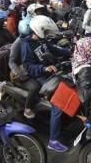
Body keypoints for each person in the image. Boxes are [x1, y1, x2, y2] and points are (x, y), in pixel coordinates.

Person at [20, 15, 71, 152]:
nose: (48, 34)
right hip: (42, 77)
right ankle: (53, 140)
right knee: (58, 106)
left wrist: (71, 51)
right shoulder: (27, 45)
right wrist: (44, 68)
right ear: (38, 30)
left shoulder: (43, 41)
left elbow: (54, 49)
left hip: (52, 73)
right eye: (46, 31)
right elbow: (28, 66)